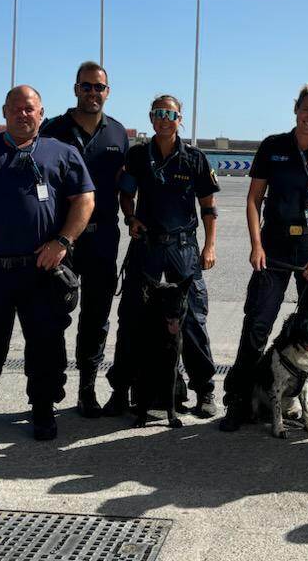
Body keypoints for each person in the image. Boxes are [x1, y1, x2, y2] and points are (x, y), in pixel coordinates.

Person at [0, 85, 94, 441]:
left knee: (46, 343)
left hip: (42, 269)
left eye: (30, 108)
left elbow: (85, 199)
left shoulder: (62, 153)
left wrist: (63, 241)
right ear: (4, 112)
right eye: (16, 108)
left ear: (41, 113)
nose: (23, 114)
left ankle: (43, 408)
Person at [219, 85, 308, 432]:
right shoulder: (272, 146)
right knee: (257, 325)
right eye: (305, 109)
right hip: (274, 248)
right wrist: (256, 244)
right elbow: (254, 199)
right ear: (296, 110)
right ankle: (239, 399)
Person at [103, 94, 219, 418]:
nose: (165, 119)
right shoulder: (138, 155)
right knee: (132, 318)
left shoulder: (195, 158)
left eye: (171, 114)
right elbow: (126, 194)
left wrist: (209, 246)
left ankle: (205, 390)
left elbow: (208, 206)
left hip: (183, 248)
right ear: (151, 117)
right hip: (147, 246)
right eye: (159, 113)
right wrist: (130, 218)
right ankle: (120, 390)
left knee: (192, 319)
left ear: (180, 119)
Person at [40, 61, 129, 418]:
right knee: (53, 312)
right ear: (76, 89)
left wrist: (135, 218)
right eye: (86, 86)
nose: (93, 93)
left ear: (108, 92)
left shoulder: (118, 133)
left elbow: (126, 184)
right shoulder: (53, 130)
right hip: (60, 238)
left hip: (103, 237)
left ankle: (86, 389)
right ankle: (52, 383)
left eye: (99, 87)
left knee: (96, 316)